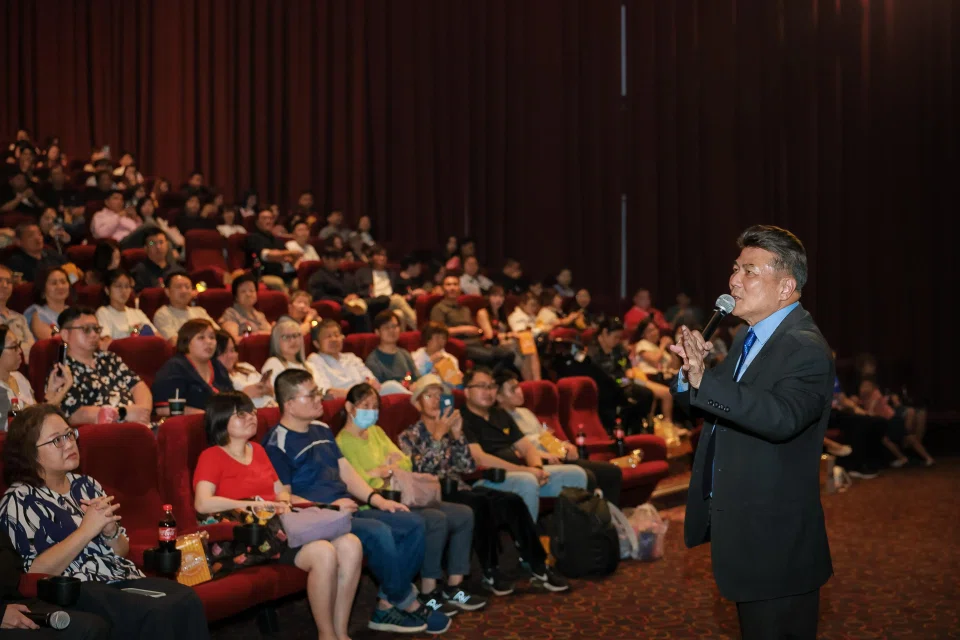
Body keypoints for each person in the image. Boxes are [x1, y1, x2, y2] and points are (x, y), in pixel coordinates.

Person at [671, 225, 834, 640]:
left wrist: (705, 381)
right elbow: (714, 404)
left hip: (776, 545)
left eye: (749, 271)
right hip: (745, 531)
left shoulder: (805, 347)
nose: (733, 280)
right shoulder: (749, 336)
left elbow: (781, 417)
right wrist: (690, 374)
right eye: (735, 268)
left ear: (786, 287)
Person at [0, 404, 210, 639]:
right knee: (158, 611)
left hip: (118, 577)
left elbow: (122, 551)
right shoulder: (19, 500)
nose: (69, 444)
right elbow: (31, 573)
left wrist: (110, 532)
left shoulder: (86, 485)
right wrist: (86, 531)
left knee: (186, 599)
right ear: (30, 452)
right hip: (75, 589)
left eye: (69, 434)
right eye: (57, 440)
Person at [262, 369, 448, 634]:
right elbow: (285, 498)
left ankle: (387, 601)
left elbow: (345, 472)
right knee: (379, 532)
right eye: (311, 395)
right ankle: (406, 601)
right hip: (319, 519)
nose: (319, 399)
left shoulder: (321, 429)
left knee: (412, 523)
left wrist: (378, 500)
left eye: (317, 392)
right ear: (289, 404)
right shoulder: (276, 443)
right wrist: (330, 508)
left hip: (345, 510)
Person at [194, 392, 362, 640]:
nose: (251, 417)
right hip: (253, 538)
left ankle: (341, 632)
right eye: (241, 414)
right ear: (220, 420)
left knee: (351, 544)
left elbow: (281, 490)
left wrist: (284, 501)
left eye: (252, 412)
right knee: (324, 552)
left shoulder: (258, 450)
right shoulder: (212, 456)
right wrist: (254, 505)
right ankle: (326, 635)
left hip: (282, 527)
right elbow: (202, 503)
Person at [398, 375, 569, 595]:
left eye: (439, 396)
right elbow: (420, 470)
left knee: (512, 501)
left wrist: (457, 436)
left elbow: (467, 466)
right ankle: (490, 571)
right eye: (429, 396)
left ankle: (538, 564)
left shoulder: (450, 430)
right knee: (478, 504)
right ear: (417, 403)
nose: (435, 401)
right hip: (433, 492)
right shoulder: (408, 436)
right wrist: (437, 438)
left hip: (460, 487)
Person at [335, 384, 486, 613]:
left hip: (403, 494)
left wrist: (385, 470)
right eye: (365, 406)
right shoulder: (342, 442)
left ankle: (454, 587)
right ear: (349, 407)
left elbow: (405, 462)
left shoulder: (376, 432)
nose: (372, 411)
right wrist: (384, 470)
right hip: (373, 504)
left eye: (375, 406)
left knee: (464, 514)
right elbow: (359, 482)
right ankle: (428, 591)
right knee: (435, 519)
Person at [460, 368, 588, 522]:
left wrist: (537, 468)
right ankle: (528, 535)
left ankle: (571, 534)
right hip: (488, 478)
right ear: (466, 392)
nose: (488, 392)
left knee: (576, 474)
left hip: (519, 473)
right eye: (482, 386)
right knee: (527, 481)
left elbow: (527, 448)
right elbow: (480, 458)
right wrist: (526, 470)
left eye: (492, 386)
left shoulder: (500, 414)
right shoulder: (461, 419)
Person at [494, 371, 623, 506]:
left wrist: (566, 446)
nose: (519, 392)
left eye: (518, 387)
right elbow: (514, 451)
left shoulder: (525, 412)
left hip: (557, 456)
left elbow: (545, 438)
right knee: (588, 475)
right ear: (499, 397)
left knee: (611, 471)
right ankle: (592, 516)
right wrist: (543, 456)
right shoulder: (499, 419)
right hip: (539, 462)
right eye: (513, 389)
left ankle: (610, 515)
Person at [52, 307, 153, 426]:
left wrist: (142, 414)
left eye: (96, 329)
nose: (94, 334)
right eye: (86, 329)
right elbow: (73, 414)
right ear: (65, 335)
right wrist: (122, 413)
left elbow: (138, 386)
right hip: (103, 432)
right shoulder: (62, 371)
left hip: (137, 425)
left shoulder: (109, 358)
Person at [1, 528, 110, 637]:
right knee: (87, 628)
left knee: (102, 610)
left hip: (15, 594)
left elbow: (13, 569)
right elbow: (31, 568)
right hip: (8, 606)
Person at [430, 276, 515, 374]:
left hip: (477, 341)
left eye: (455, 284)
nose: (452, 288)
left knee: (508, 353)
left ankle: (493, 376)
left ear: (460, 288)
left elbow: (474, 329)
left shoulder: (465, 309)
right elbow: (438, 331)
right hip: (460, 344)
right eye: (448, 285)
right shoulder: (438, 308)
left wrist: (478, 332)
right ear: (443, 288)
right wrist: (463, 329)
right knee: (490, 355)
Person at [586, 317, 655, 433]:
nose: (618, 340)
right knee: (629, 397)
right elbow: (605, 377)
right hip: (605, 389)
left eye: (619, 337)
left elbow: (625, 364)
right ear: (604, 332)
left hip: (623, 382)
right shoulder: (593, 352)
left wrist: (628, 371)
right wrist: (624, 381)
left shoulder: (618, 349)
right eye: (615, 337)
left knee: (647, 394)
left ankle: (637, 429)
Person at [152, 319, 233, 416]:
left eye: (212, 337)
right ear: (186, 342)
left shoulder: (217, 366)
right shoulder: (175, 368)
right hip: (191, 423)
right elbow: (163, 409)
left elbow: (232, 400)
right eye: (201, 337)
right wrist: (204, 416)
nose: (209, 342)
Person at [307, 319, 408, 397]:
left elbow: (372, 381)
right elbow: (327, 392)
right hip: (347, 403)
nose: (334, 339)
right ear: (316, 343)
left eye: (337, 335)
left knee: (391, 386)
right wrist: (357, 395)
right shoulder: (315, 360)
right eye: (328, 336)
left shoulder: (351, 357)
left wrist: (369, 386)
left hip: (368, 397)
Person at [0, 323, 72, 418]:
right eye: (14, 347)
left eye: (19, 345)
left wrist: (52, 390)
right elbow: (32, 422)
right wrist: (64, 390)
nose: (20, 351)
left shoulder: (19, 377)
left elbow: (36, 411)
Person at [306, 246, 371, 333]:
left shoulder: (346, 275)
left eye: (339, 259)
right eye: (335, 259)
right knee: (359, 312)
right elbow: (319, 296)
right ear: (325, 259)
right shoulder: (317, 277)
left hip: (356, 301)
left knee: (380, 302)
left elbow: (359, 288)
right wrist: (343, 300)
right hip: (339, 306)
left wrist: (355, 295)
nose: (338, 262)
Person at [354, 246, 418, 330]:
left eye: (384, 255)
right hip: (375, 303)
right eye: (379, 255)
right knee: (397, 299)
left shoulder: (391, 273)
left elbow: (400, 288)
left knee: (400, 314)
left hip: (391, 303)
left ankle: (404, 337)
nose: (382, 258)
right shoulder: (363, 272)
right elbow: (358, 290)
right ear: (372, 257)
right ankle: (419, 328)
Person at [151, 272, 219, 344]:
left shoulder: (200, 311)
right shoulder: (162, 314)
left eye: (187, 287)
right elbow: (175, 343)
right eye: (178, 287)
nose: (184, 291)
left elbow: (218, 334)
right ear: (167, 292)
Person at [214, 330, 275, 408]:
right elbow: (224, 408)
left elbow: (273, 394)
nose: (230, 356)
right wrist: (245, 394)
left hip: (273, 406)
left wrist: (268, 390)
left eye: (232, 350)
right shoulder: (219, 379)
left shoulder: (246, 366)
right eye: (224, 352)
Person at [95, 270, 159, 339]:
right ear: (107, 290)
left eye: (127, 286)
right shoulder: (103, 312)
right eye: (118, 286)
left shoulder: (137, 313)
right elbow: (106, 341)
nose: (123, 291)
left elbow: (157, 337)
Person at [365, 310, 418, 390]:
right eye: (386, 327)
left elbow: (417, 378)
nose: (391, 330)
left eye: (394, 326)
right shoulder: (373, 361)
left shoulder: (405, 354)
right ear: (377, 332)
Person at [261, 318, 320, 387]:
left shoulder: (310, 366)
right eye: (286, 337)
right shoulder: (273, 364)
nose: (292, 340)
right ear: (276, 341)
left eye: (296, 335)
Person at [219, 274, 273, 342]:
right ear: (236, 296)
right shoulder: (230, 314)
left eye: (251, 291)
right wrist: (258, 335)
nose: (248, 294)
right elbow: (233, 340)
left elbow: (272, 336)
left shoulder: (260, 315)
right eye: (243, 291)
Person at [25, 267, 72, 341]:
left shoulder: (73, 311)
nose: (60, 286)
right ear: (43, 290)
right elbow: (56, 342)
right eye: (54, 283)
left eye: (63, 282)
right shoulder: (39, 315)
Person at [411, 322, 463, 388]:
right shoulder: (414, 357)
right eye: (437, 337)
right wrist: (429, 363)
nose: (441, 341)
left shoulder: (451, 359)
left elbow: (455, 387)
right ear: (427, 339)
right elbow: (414, 378)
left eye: (443, 338)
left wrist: (459, 381)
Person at [0, 265, 34, 362]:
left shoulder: (19, 318)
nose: (5, 285)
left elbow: (32, 348)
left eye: (9, 282)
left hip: (23, 365)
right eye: (0, 280)